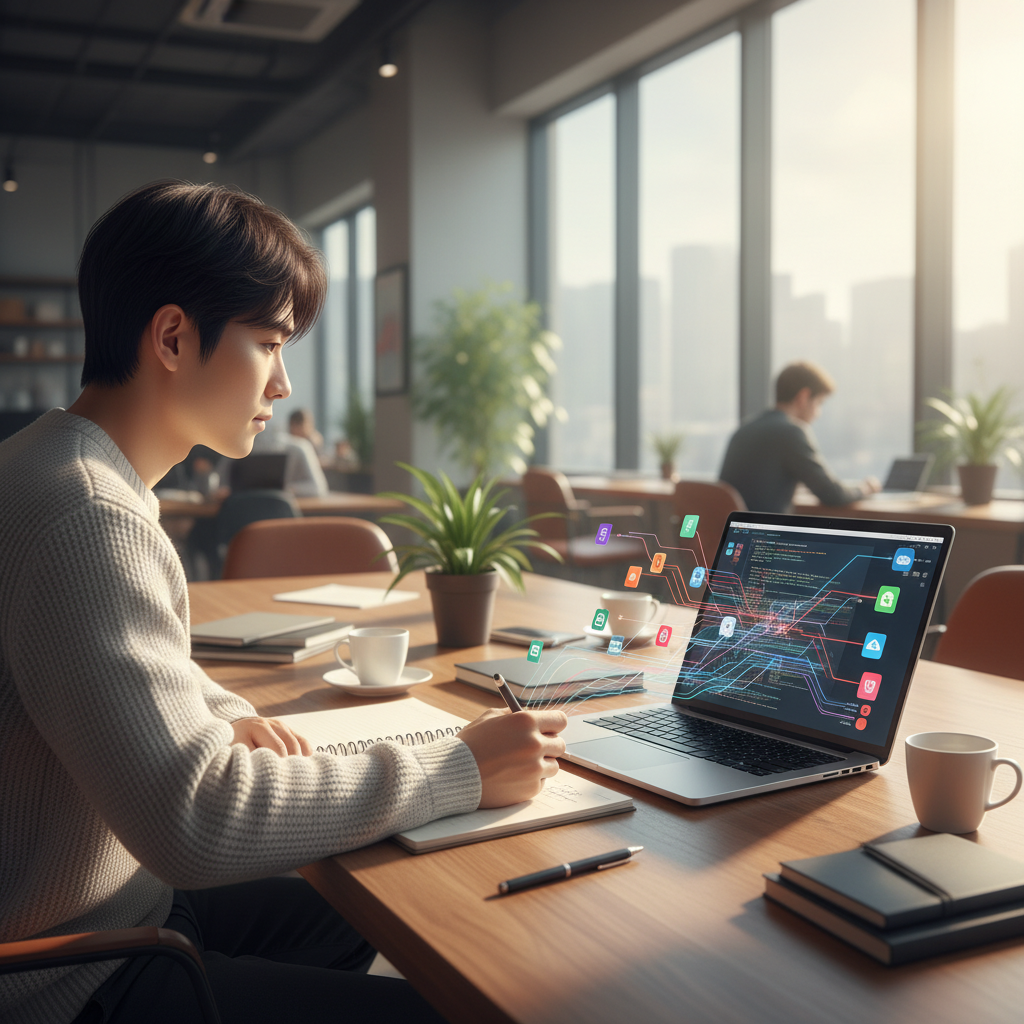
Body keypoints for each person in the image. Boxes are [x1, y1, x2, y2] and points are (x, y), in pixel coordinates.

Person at [0, 180, 567, 1024]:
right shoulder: (90, 517)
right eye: (269, 344)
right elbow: (194, 820)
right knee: (453, 999)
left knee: (382, 916)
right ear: (172, 336)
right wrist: (459, 769)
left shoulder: (52, 466)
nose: (284, 384)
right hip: (73, 971)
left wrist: (218, 714)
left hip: (113, 900)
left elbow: (123, 674)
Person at [719, 361, 880, 513]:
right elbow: (832, 494)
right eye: (819, 403)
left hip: (731, 534)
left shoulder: (744, 430)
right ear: (804, 396)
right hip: (765, 536)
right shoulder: (791, 432)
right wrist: (865, 488)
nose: (818, 413)